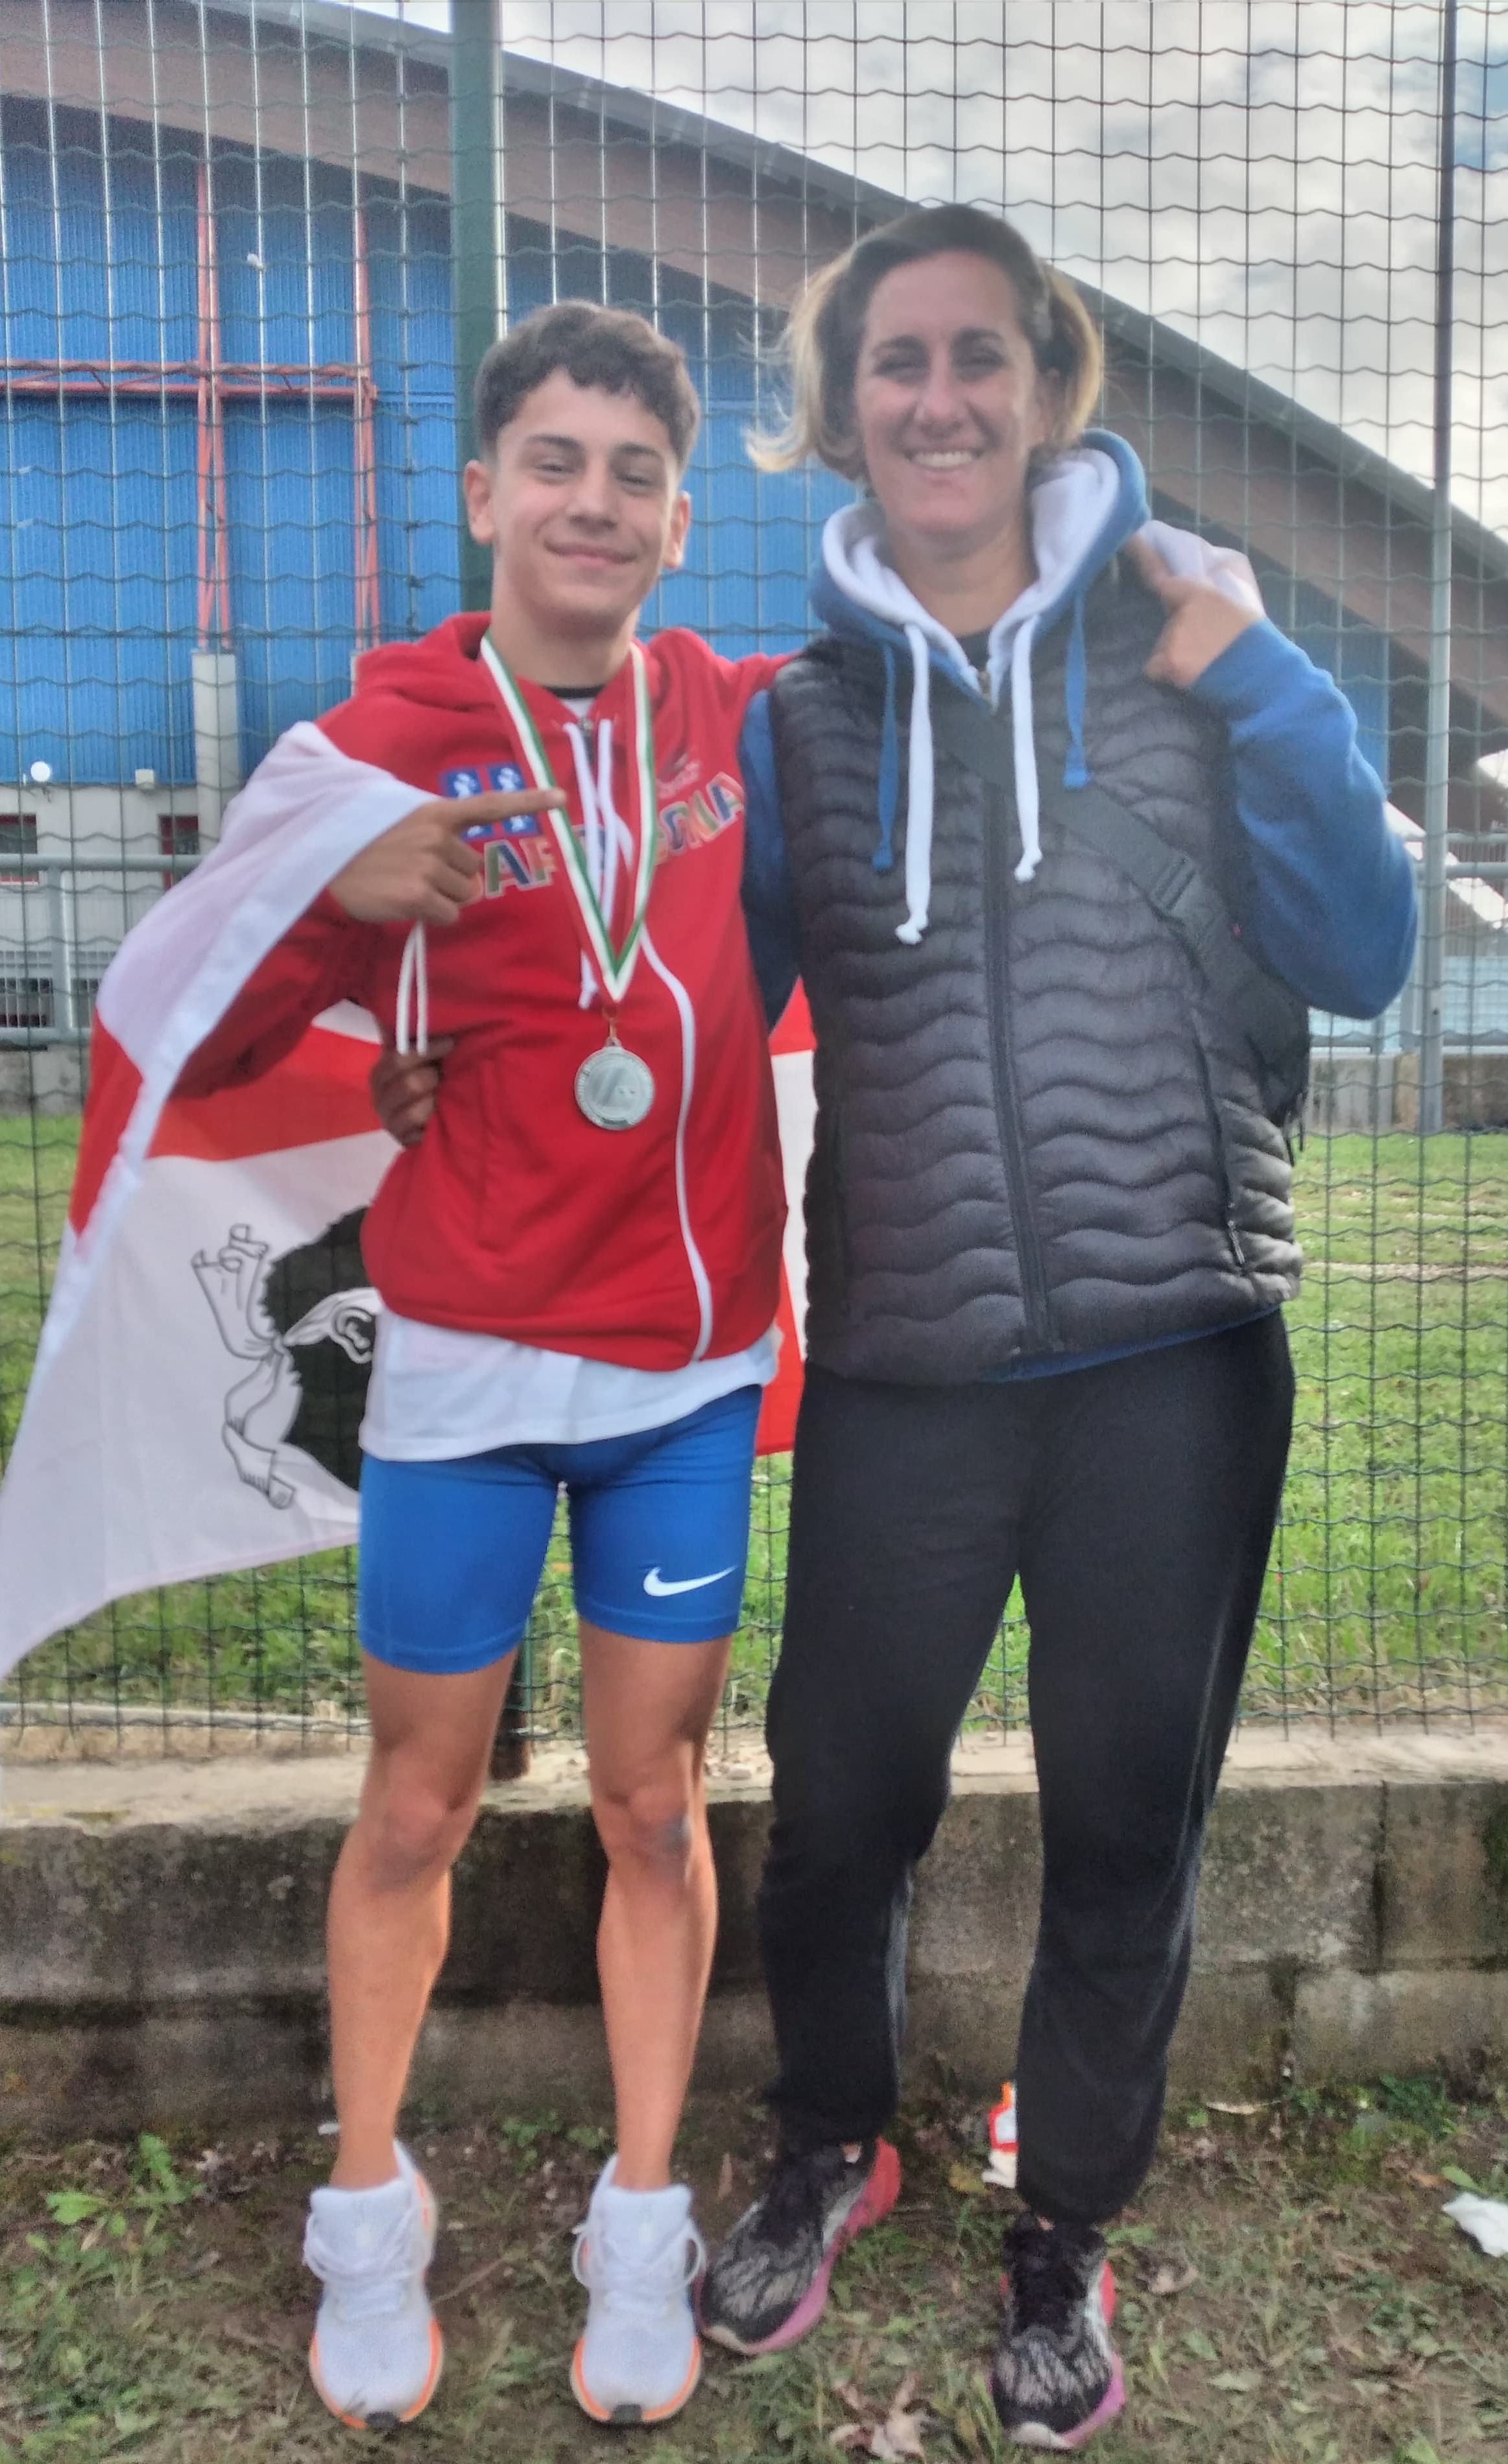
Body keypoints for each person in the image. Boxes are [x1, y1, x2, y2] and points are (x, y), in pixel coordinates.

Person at [370, 208, 1417, 2450]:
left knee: (1127, 1821)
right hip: (906, 1369)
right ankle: (832, 2140)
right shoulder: (799, 724)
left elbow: (1364, 946)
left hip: (1174, 1351)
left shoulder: (1187, 646)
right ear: (838, 415)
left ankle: (1067, 2224)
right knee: (840, 1810)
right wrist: (451, 1053)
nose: (937, 398)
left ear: (1044, 384)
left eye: (976, 354)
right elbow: (659, 987)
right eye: (892, 363)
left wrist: (1266, 679)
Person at [171, 302, 796, 2432]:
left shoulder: (729, 715)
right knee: (418, 1801)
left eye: (634, 473)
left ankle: (642, 2209)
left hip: (681, 1375)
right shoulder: (377, 742)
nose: (591, 503)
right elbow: (199, 1035)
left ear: (678, 519)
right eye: (554, 461)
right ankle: (367, 2202)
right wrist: (325, 884)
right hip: (458, 1364)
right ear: (481, 493)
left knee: (649, 1806)